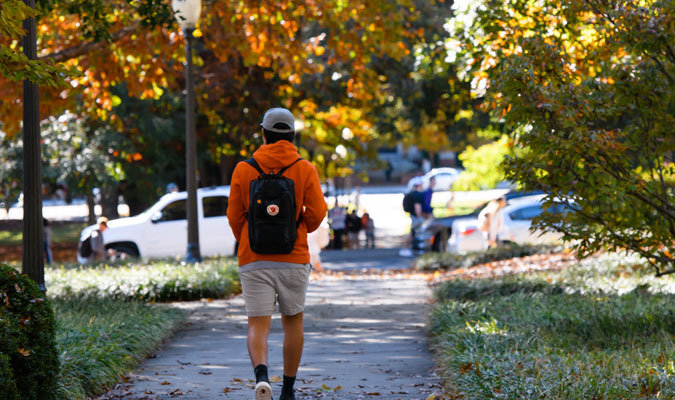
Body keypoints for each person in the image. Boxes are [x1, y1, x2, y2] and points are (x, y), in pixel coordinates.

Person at [227, 107, 327, 400]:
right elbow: (319, 213)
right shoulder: (304, 168)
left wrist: (247, 240)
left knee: (258, 323)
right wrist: (300, 229)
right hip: (293, 258)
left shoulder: (244, 169)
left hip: (253, 259)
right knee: (293, 321)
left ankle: (261, 377)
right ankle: (288, 389)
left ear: (264, 134)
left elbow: (234, 216)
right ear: (292, 135)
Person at [399, 177, 424, 257]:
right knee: (412, 233)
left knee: (412, 232)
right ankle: (405, 248)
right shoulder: (417, 195)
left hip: (412, 215)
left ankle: (406, 248)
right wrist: (419, 217)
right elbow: (418, 208)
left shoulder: (413, 193)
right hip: (415, 217)